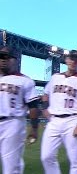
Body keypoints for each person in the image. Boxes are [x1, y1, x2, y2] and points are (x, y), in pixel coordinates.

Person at [40, 50, 77, 174]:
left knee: (75, 160)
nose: (73, 61)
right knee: (46, 156)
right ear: (66, 59)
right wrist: (45, 108)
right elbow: (45, 94)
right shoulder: (55, 77)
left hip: (72, 120)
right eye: (71, 58)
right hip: (54, 120)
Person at [0, 45, 40, 174]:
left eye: (6, 57)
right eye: (0, 57)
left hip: (12, 123)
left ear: (15, 60)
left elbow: (33, 106)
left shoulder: (25, 80)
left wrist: (34, 128)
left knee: (11, 166)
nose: (3, 60)